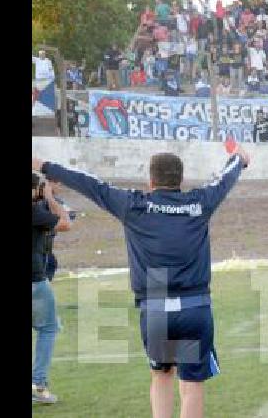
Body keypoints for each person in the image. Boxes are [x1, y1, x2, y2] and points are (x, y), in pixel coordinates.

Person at [32, 145, 250, 418]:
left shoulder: (133, 204)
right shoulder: (200, 202)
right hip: (194, 304)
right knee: (192, 384)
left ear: (150, 180)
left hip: (156, 304)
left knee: (162, 376)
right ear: (180, 181)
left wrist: (43, 165)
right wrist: (239, 159)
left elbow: (87, 182)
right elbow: (225, 178)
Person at [32, 172, 71, 404]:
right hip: (35, 280)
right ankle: (38, 384)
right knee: (48, 329)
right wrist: (51, 198)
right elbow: (66, 223)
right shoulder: (36, 211)